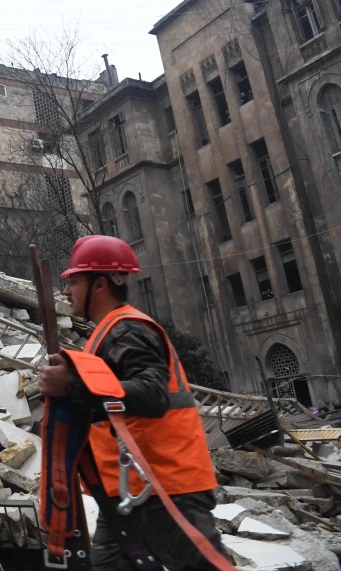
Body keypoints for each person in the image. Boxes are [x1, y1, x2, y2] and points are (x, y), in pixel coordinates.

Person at [39, 235, 232, 571]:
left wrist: (72, 386)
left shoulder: (128, 329)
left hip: (162, 487)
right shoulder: (109, 332)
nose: (67, 291)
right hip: (130, 490)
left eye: (73, 281)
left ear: (99, 284)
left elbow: (152, 394)